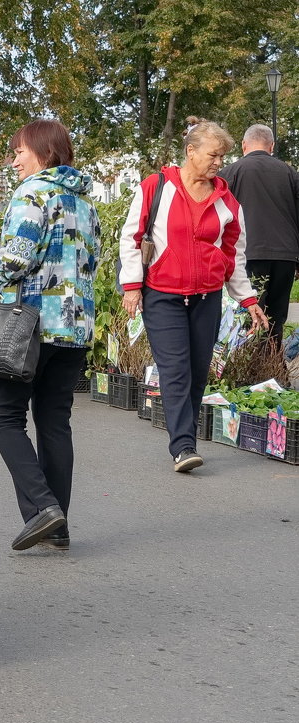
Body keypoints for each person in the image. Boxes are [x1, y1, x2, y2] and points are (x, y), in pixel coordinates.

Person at [120, 117, 270, 473]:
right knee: (175, 370)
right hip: (162, 294)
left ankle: (183, 437)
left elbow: (235, 254)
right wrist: (131, 286)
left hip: (206, 297)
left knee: (198, 370)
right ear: (191, 151)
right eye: (213, 155)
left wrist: (248, 299)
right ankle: (183, 446)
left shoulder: (227, 202)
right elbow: (131, 237)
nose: (219, 163)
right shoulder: (156, 187)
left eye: (222, 157)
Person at [0, 119, 101, 552]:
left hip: (29, 325)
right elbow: (93, 261)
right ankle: (60, 526)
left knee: (4, 416)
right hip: (74, 327)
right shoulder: (85, 201)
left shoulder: (33, 192)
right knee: (55, 420)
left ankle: (42, 506)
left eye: (19, 151)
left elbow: (16, 259)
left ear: (43, 152)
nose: (13, 160)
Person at [218, 124, 299, 344]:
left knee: (249, 313)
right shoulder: (290, 173)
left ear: (244, 145)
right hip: (285, 255)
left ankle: (251, 367)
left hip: (248, 253)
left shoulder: (230, 173)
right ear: (271, 146)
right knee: (277, 316)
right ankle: (272, 365)